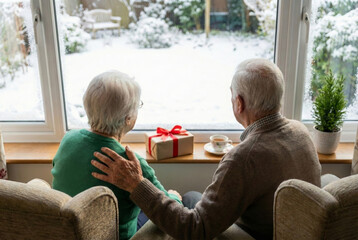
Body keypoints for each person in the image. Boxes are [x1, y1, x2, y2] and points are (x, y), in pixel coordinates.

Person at [91, 59, 322, 239]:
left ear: (239, 103)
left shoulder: (244, 157)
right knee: (192, 197)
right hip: (296, 231)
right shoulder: (301, 132)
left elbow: (194, 230)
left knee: (189, 206)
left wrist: (137, 186)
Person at [51, 70, 184, 240]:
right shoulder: (132, 165)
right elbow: (172, 215)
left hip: (71, 233)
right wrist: (174, 197)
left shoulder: (68, 140)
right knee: (188, 199)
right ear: (128, 118)